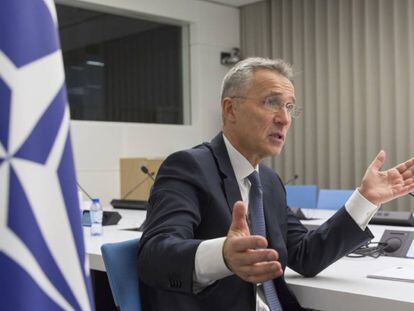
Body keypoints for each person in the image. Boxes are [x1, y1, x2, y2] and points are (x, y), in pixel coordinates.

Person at [137, 57, 414, 311]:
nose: (284, 118)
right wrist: (222, 256)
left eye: (290, 107)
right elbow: (154, 255)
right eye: (271, 102)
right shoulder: (189, 166)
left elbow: (306, 256)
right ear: (230, 109)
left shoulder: (268, 182)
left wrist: (366, 199)